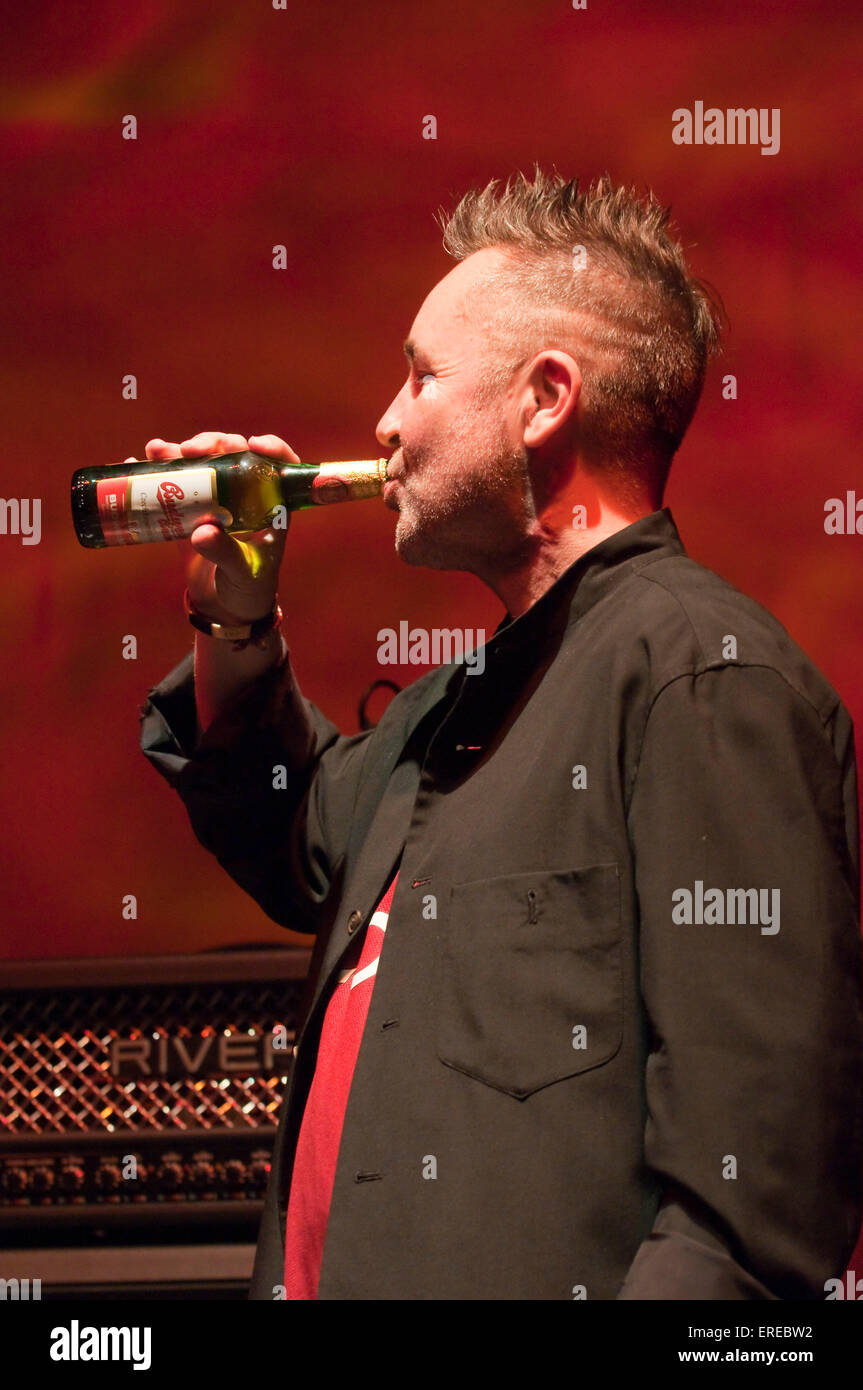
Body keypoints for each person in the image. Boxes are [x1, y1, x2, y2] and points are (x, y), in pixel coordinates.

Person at [138, 169, 863, 1300]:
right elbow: (291, 828)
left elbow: (747, 1201)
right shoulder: (452, 704)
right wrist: (234, 611)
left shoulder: (701, 677)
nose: (383, 420)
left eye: (421, 375)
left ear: (543, 400)